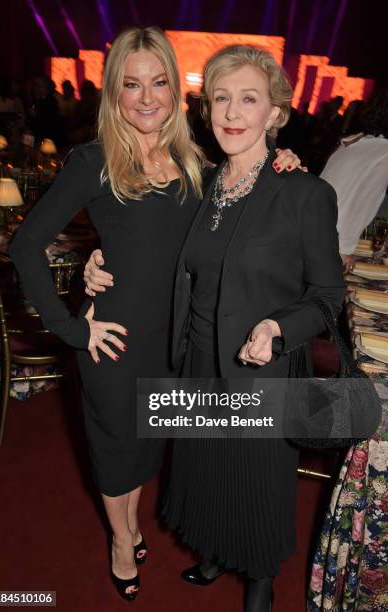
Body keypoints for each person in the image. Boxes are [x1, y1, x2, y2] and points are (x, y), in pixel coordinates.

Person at [10, 27, 300, 604]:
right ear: (113, 93)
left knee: (153, 446)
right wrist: (71, 326)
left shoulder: (197, 162)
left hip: (178, 343)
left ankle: (134, 523)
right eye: (131, 84)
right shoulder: (94, 161)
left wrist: (278, 160)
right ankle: (123, 539)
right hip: (113, 343)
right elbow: (25, 246)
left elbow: (226, 226)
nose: (146, 97)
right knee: (117, 451)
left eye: (159, 82)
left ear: (176, 90)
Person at [85, 44, 345, 611]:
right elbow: (145, 239)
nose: (231, 112)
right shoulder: (198, 181)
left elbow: (329, 298)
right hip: (195, 356)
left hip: (261, 368)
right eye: (221, 98)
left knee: (254, 484)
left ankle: (259, 577)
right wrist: (97, 260)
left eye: (248, 100)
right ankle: (213, 551)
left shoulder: (304, 192)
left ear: (275, 114)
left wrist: (278, 327)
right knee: (204, 471)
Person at [320, 86, 388, 273]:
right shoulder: (383, 154)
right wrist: (345, 250)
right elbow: (362, 202)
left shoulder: (357, 142)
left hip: (312, 229)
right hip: (327, 242)